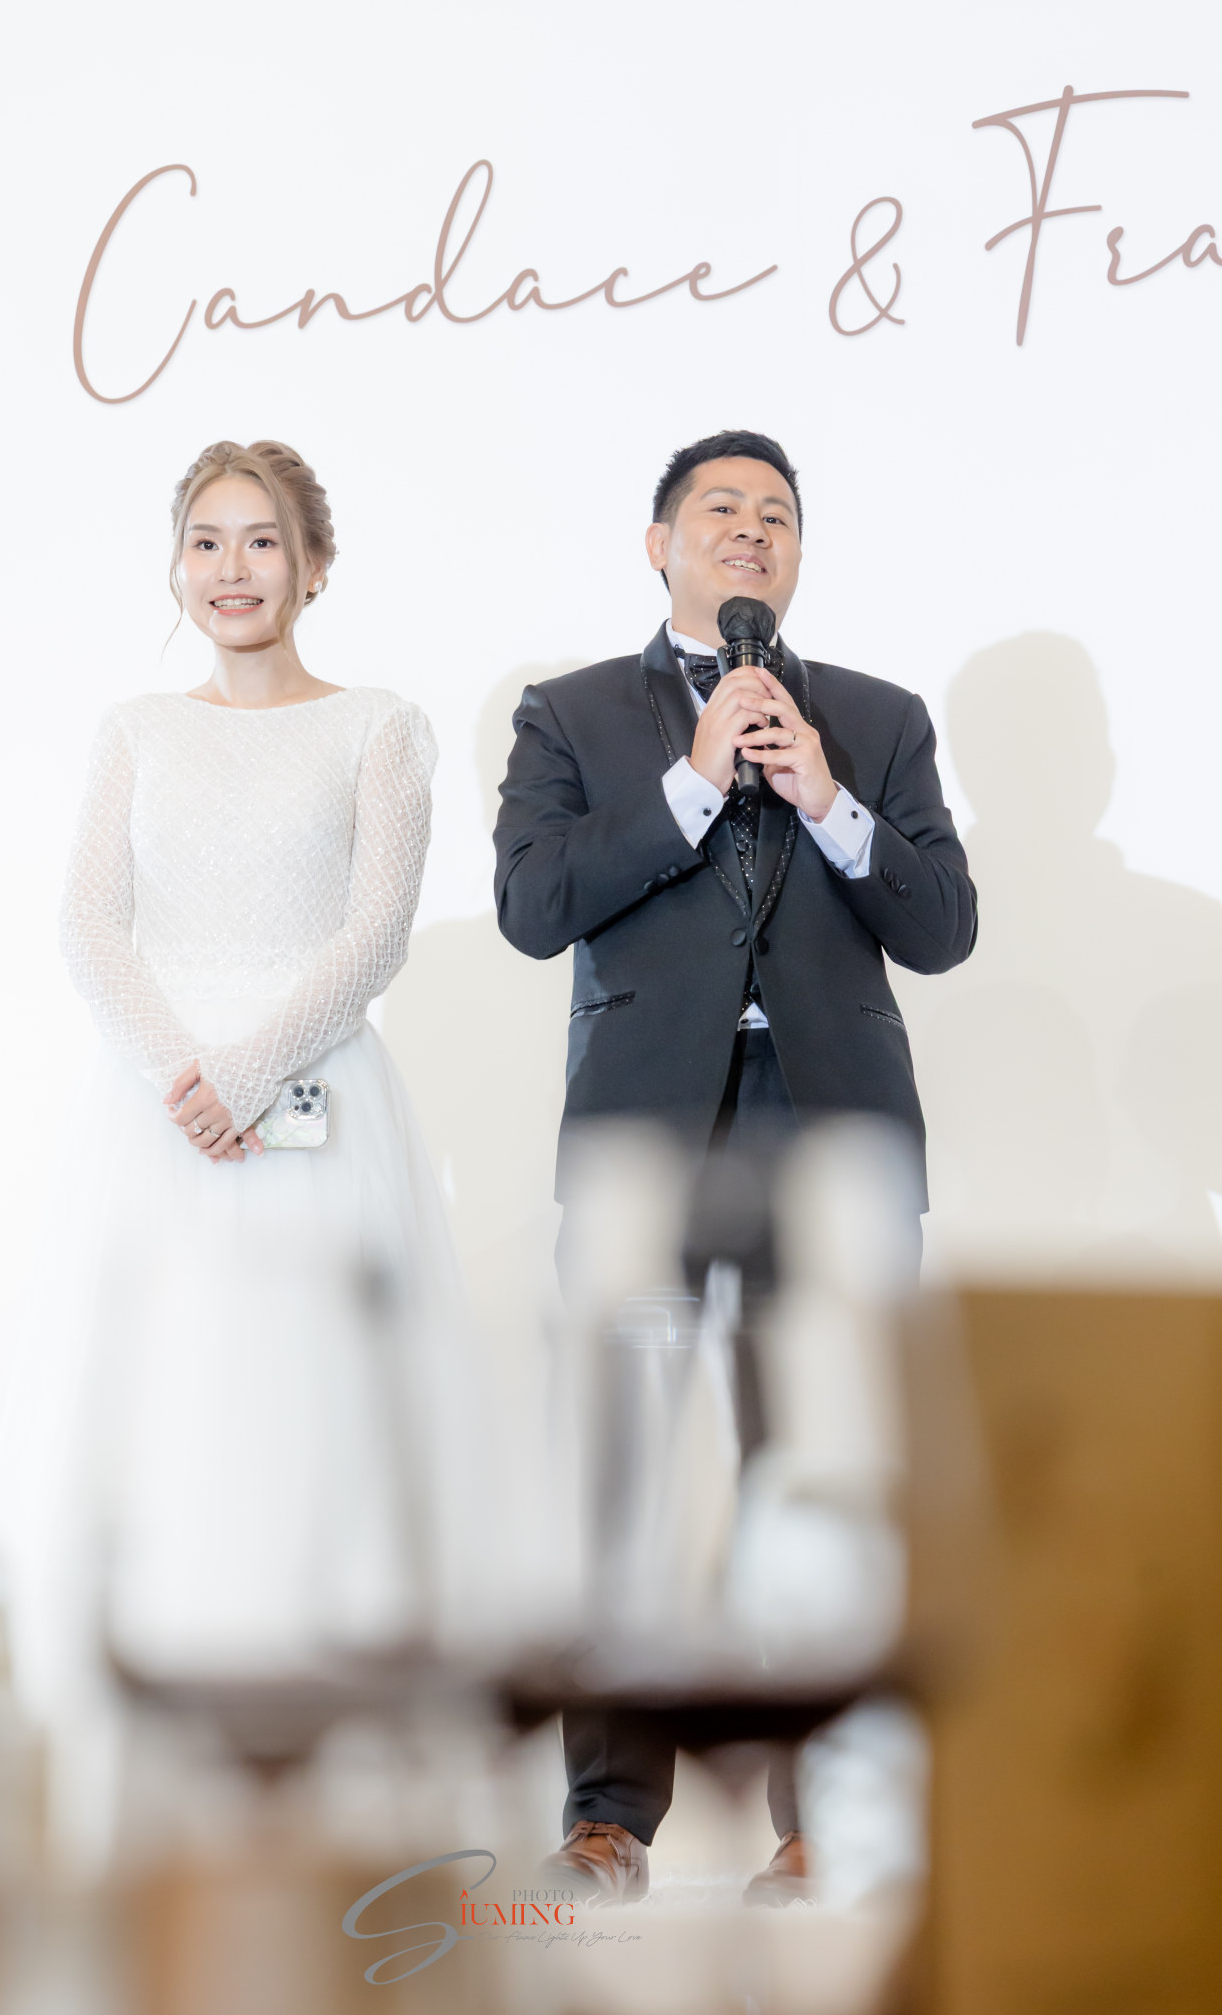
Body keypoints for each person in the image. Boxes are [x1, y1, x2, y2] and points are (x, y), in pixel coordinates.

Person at [493, 428, 976, 1905]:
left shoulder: (877, 719)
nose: (750, 529)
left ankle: (821, 1817)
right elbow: (531, 905)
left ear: (798, 554)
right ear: (661, 544)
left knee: (824, 1465)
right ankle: (607, 1823)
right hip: (646, 1129)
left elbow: (942, 927)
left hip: (829, 1128)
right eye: (720, 508)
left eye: (776, 514)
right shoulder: (571, 713)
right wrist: (691, 783)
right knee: (625, 1466)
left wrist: (828, 797)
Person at [0, 441, 466, 1847]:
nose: (232, 569)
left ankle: (336, 1802)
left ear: (314, 566)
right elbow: (89, 923)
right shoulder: (135, 727)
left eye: (262, 541)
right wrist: (176, 1078)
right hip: (154, 1121)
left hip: (318, 1105)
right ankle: (135, 1803)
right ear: (176, 565)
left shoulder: (379, 725)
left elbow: (375, 932)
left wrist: (249, 1072)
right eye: (206, 541)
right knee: (148, 1418)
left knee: (324, 1421)